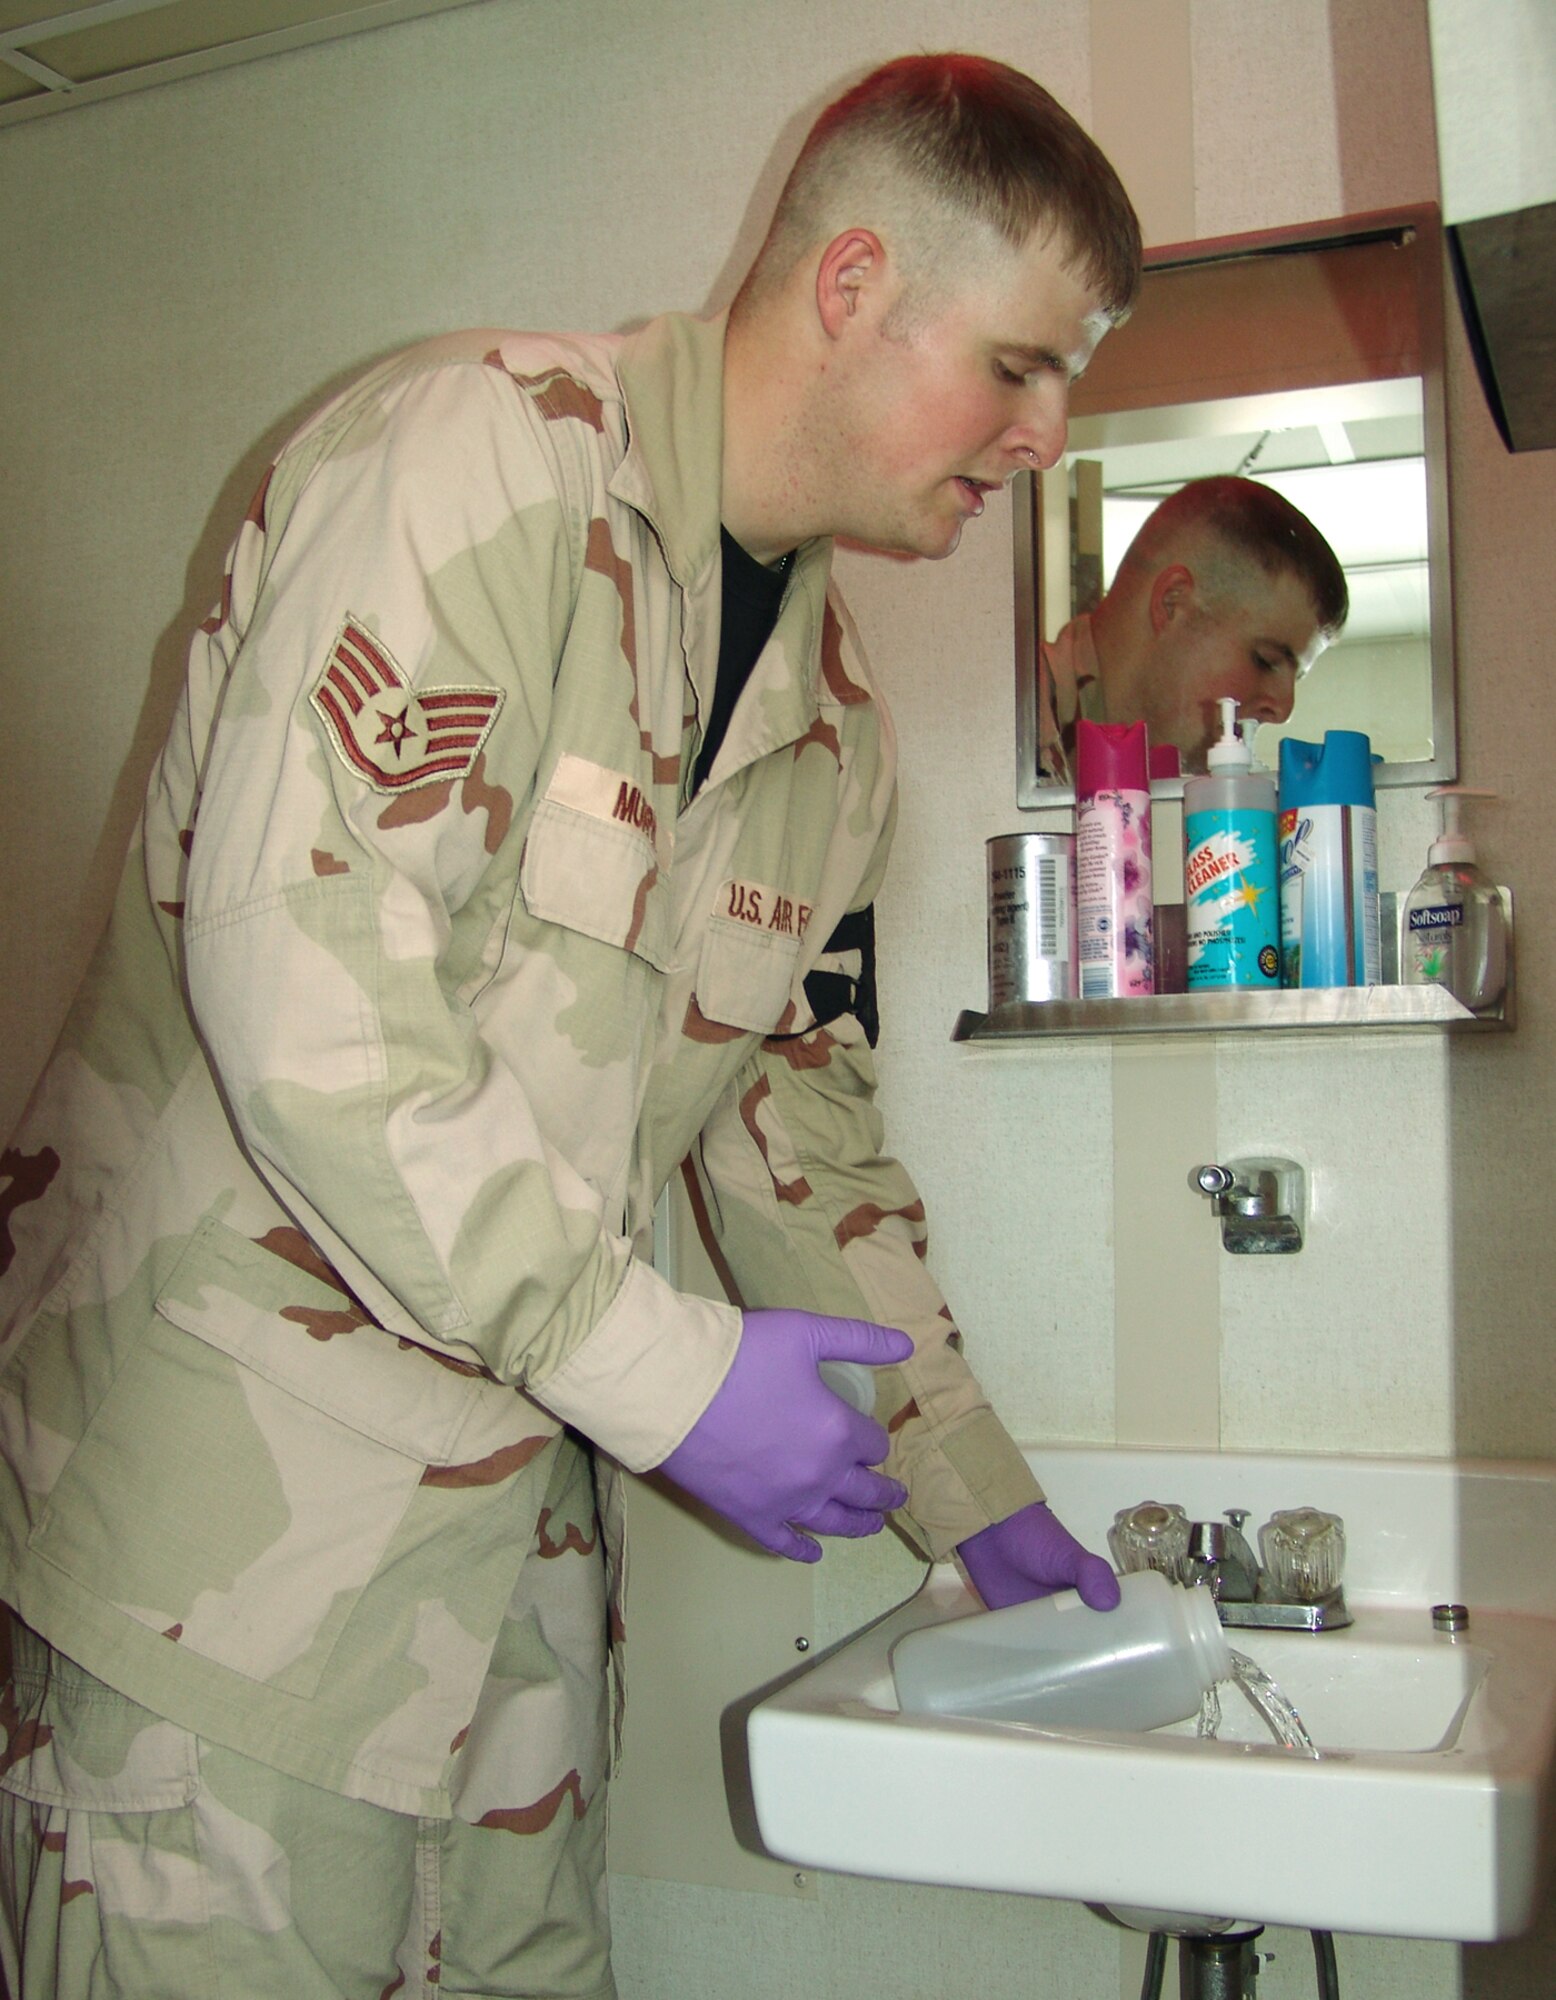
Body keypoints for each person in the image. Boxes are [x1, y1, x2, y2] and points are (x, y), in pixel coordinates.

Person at [0, 52, 1141, 2000]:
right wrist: (677, 1375)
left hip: (507, 1600)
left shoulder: (830, 726)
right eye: (1022, 366)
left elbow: (803, 1146)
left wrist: (973, 1492)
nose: (1045, 435)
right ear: (852, 282)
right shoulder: (477, 458)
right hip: (228, 1590)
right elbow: (311, 998)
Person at [1037, 473, 1349, 779]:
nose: (1283, 709)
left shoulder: (1163, 799)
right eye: (1264, 660)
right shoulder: (1011, 731)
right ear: (1172, 603)